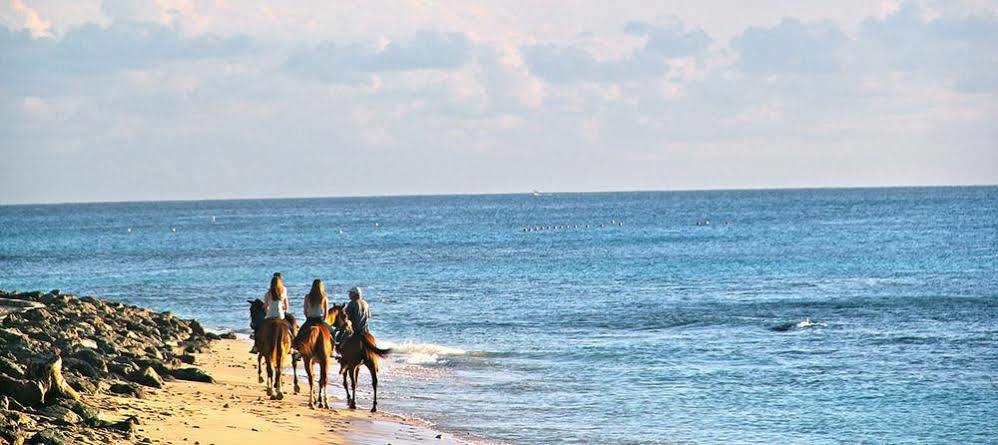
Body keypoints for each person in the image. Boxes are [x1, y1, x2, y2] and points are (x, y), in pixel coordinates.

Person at [295, 279, 332, 344]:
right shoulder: (324, 297)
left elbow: (305, 311)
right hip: (320, 320)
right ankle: (334, 347)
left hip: (310, 320)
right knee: (332, 332)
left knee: (299, 335)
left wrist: (308, 318)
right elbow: (326, 313)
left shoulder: (307, 297)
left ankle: (296, 347)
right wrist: (323, 320)